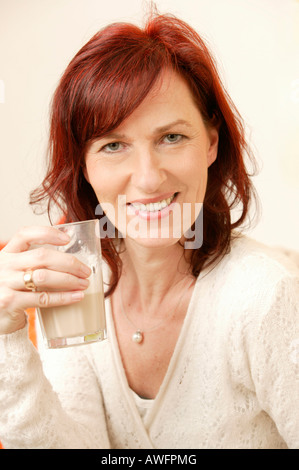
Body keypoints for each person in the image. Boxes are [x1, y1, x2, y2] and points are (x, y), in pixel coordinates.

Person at [0, 12, 298, 449]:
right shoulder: (78, 283)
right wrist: (6, 333)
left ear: (211, 142)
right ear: (84, 166)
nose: (147, 178)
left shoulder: (263, 297)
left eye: (171, 138)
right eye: (114, 145)